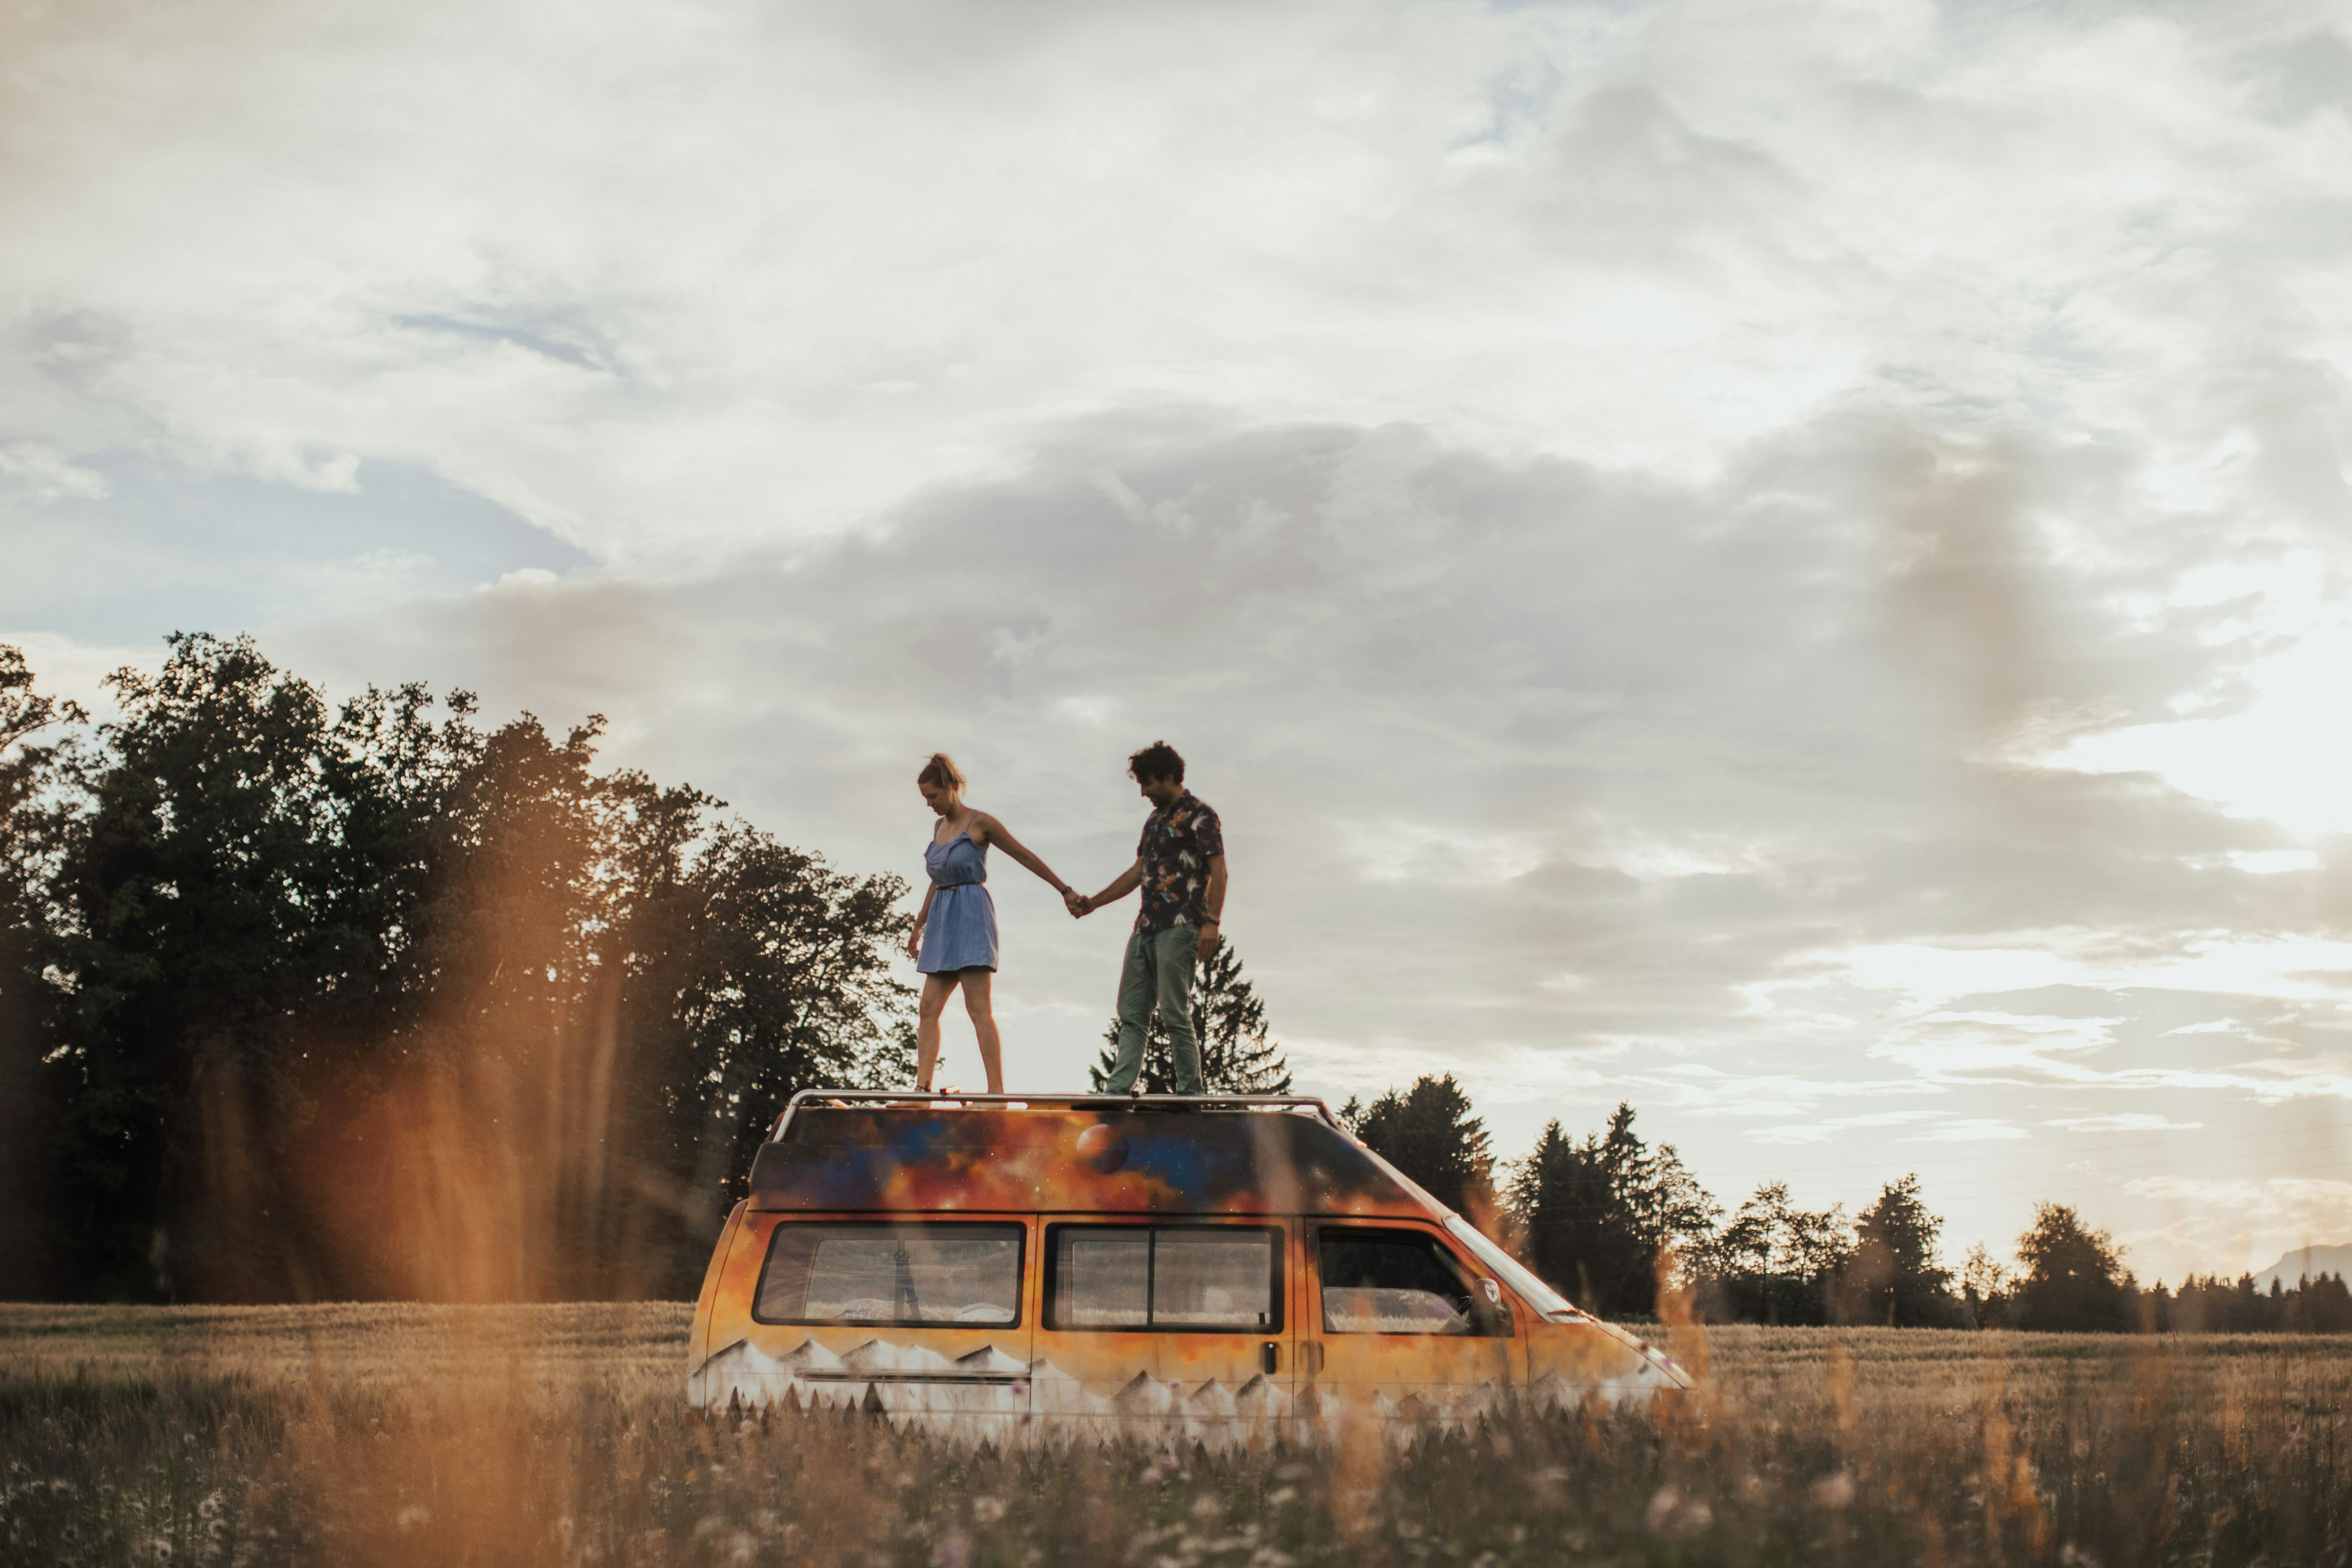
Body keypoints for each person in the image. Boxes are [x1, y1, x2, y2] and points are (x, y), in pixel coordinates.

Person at [909, 753, 1083, 1094]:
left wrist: (1064, 890)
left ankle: (996, 1093)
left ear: (950, 787)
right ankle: (922, 1091)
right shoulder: (938, 828)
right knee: (928, 1008)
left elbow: (1023, 855)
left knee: (978, 1009)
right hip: (942, 922)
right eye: (925, 798)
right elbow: (938, 878)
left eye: (933, 796)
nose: (929, 804)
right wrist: (919, 924)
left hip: (971, 916)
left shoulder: (980, 823)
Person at [1072, 740, 1225, 1095]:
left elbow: (1219, 871)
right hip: (1145, 929)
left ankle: (1190, 1093)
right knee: (1131, 1014)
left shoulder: (1201, 815)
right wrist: (1094, 903)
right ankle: (1117, 1091)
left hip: (1181, 927)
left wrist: (1211, 922)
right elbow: (1137, 872)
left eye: (1148, 783)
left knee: (1174, 1012)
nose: (1144, 792)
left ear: (1169, 777)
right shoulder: (1154, 822)